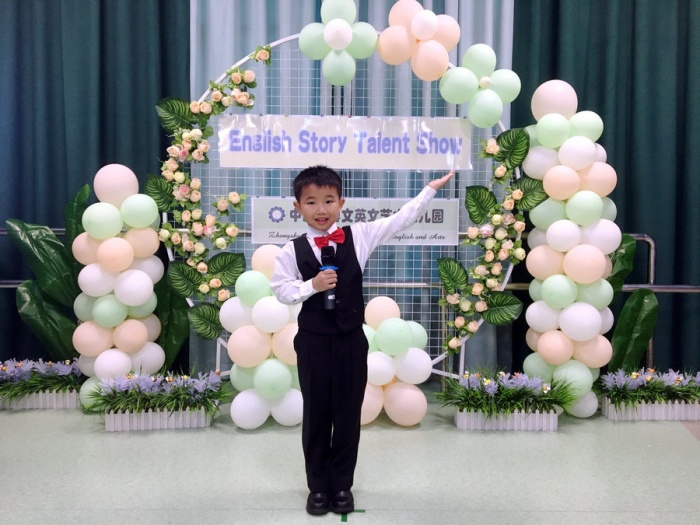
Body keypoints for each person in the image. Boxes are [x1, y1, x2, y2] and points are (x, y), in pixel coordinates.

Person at [270, 165, 454, 516]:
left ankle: (342, 486)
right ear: (297, 207)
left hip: (351, 341)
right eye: (311, 202)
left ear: (341, 203)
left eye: (329, 200)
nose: (321, 209)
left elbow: (401, 219)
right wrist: (312, 286)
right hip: (312, 341)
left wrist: (429, 189)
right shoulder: (290, 250)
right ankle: (317, 488)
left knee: (347, 413)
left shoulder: (361, 235)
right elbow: (280, 290)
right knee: (316, 414)